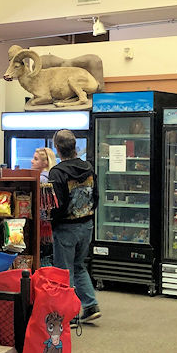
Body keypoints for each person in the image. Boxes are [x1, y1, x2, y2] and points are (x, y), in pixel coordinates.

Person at [48, 129, 100, 322]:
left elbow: (58, 204)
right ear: (75, 146)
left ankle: (68, 313)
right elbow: (96, 196)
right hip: (86, 224)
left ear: (57, 148)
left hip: (66, 227)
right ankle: (90, 304)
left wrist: (52, 219)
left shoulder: (57, 172)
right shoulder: (88, 167)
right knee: (79, 266)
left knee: (64, 270)